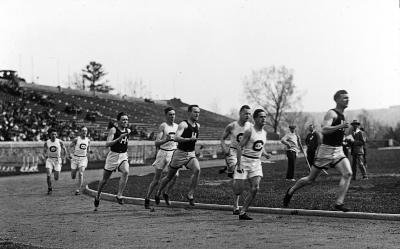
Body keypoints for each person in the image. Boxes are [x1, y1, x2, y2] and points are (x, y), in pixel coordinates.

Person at [283, 90, 353, 212]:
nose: (347, 100)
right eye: (344, 98)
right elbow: (324, 129)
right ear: (337, 100)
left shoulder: (342, 116)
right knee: (310, 179)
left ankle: (339, 203)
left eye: (348, 98)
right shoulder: (332, 113)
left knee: (348, 173)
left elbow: (337, 133)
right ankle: (291, 190)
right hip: (326, 151)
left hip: (338, 150)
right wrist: (340, 126)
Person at [155, 105, 201, 206]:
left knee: (197, 169)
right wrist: (188, 139)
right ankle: (159, 192)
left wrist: (194, 147)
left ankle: (190, 195)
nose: (197, 114)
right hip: (179, 153)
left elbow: (193, 141)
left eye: (198, 112)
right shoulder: (183, 124)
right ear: (189, 113)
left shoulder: (198, 126)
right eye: (195, 112)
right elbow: (176, 138)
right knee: (169, 177)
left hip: (190, 153)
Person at [234, 109, 270, 220]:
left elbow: (260, 145)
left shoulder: (264, 133)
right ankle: (235, 183)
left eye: (265, 116)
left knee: (255, 188)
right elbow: (240, 146)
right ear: (255, 119)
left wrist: (265, 153)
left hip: (256, 163)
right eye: (261, 117)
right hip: (245, 161)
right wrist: (239, 164)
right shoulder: (249, 131)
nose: (263, 119)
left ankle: (243, 211)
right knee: (238, 190)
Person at [94, 112, 131, 210]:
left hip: (123, 155)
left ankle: (119, 195)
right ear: (118, 121)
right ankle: (98, 195)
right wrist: (119, 138)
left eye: (126, 119)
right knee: (105, 180)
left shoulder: (128, 130)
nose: (125, 121)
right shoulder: (114, 130)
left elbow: (126, 140)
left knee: (126, 171)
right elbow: (107, 144)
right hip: (113, 156)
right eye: (123, 119)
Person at [219, 105, 252, 214]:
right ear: (240, 113)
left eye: (249, 113)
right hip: (232, 152)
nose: (248, 115)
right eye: (246, 113)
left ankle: (229, 170)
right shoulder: (232, 126)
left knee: (240, 179)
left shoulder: (251, 127)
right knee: (237, 175)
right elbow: (222, 138)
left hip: (244, 154)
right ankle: (235, 206)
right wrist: (224, 148)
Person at [144, 107, 179, 209]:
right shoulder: (163, 126)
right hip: (162, 153)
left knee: (175, 176)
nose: (172, 116)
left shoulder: (177, 126)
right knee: (156, 179)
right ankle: (147, 198)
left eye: (174, 114)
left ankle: (165, 193)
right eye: (170, 114)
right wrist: (165, 140)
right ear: (166, 115)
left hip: (172, 153)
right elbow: (156, 142)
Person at [43, 128, 67, 195]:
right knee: (48, 175)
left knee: (56, 178)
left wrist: (64, 158)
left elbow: (65, 150)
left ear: (56, 135)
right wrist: (45, 156)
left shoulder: (60, 142)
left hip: (57, 160)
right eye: (52, 134)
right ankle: (49, 188)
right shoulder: (47, 142)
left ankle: (56, 172)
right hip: (49, 160)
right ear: (50, 135)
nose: (54, 135)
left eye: (55, 134)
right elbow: (44, 151)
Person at [69, 126, 90, 195]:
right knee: (73, 176)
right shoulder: (76, 139)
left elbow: (88, 149)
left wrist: (88, 156)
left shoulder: (88, 140)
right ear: (80, 132)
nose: (84, 132)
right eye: (83, 130)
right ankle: (73, 174)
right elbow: (70, 146)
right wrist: (70, 154)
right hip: (75, 158)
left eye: (85, 131)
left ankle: (78, 189)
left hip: (83, 159)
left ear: (87, 132)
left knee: (81, 173)